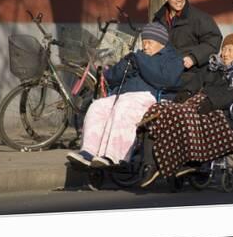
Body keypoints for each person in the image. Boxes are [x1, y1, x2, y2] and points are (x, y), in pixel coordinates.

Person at [140, 33, 233, 188]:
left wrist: (209, 102)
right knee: (159, 110)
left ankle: (183, 163)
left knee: (181, 116)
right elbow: (197, 81)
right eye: (224, 49)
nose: (224, 54)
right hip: (198, 106)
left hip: (223, 114)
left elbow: (230, 94)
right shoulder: (215, 67)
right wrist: (185, 93)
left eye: (229, 50)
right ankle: (152, 164)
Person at [66, 22, 184, 168]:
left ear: (161, 43)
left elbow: (165, 80)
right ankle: (88, 152)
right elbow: (111, 78)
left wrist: (140, 62)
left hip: (148, 98)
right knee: (98, 106)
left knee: (124, 107)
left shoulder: (172, 59)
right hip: (121, 95)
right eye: (144, 42)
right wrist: (124, 66)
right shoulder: (136, 56)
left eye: (149, 42)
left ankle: (114, 156)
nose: (145, 46)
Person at [152, 0, 222, 98]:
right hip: (163, 73)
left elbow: (214, 39)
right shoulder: (158, 19)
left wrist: (193, 57)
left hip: (189, 76)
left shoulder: (199, 18)